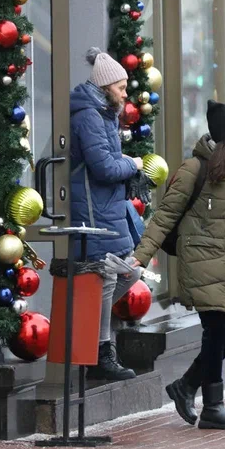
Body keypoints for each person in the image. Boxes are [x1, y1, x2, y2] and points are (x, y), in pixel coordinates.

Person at [132, 100, 225, 430]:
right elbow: (164, 216)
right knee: (217, 329)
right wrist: (141, 254)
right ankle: (213, 407)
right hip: (201, 260)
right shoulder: (195, 170)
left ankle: (186, 386)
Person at [69, 47, 148, 381]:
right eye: (121, 86)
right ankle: (101, 352)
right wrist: (133, 163)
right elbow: (103, 167)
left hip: (105, 206)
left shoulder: (103, 113)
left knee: (126, 272)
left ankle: (89, 332)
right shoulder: (90, 115)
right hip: (92, 209)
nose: (125, 92)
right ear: (105, 87)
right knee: (106, 276)